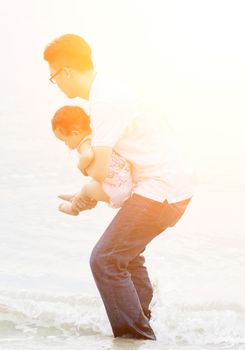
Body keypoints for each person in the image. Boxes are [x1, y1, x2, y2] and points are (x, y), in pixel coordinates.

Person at [43, 34, 194, 340]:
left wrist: (83, 188)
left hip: (160, 191)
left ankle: (137, 336)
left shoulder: (105, 102)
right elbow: (107, 173)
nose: (55, 83)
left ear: (67, 72)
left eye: (53, 76)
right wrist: (85, 194)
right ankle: (142, 328)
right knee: (125, 256)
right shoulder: (109, 92)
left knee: (105, 259)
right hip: (168, 187)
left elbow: (99, 169)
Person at [51, 105, 133, 215]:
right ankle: (77, 196)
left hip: (115, 190)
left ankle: (73, 208)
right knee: (92, 185)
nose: (66, 145)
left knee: (87, 188)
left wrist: (81, 167)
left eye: (65, 140)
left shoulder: (84, 144)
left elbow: (87, 156)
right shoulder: (97, 137)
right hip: (125, 183)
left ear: (75, 133)